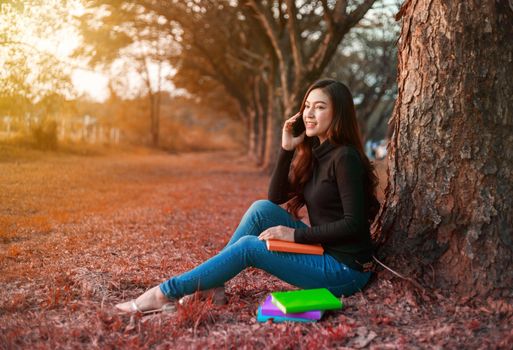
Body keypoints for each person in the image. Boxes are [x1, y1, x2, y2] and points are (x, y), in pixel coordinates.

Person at [115, 79, 380, 313]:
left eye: (320, 107)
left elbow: (353, 224)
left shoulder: (344, 157)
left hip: (345, 271)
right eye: (307, 106)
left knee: (249, 247)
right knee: (261, 209)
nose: (309, 114)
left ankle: (164, 293)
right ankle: (213, 285)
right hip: (324, 250)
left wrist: (294, 235)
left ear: (338, 114)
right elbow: (275, 196)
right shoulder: (318, 154)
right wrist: (286, 149)